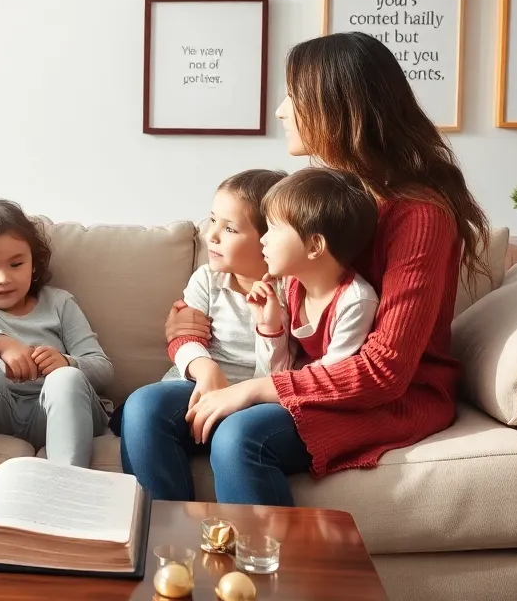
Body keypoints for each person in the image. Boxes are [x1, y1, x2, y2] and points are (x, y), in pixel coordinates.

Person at [119, 31, 489, 506]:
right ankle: (170, 549)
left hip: (387, 398)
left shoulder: (421, 217)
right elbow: (256, 273)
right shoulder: (321, 198)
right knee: (144, 408)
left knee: (240, 437)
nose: (280, 111)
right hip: (301, 373)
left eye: (293, 96)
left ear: (336, 108)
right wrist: (190, 339)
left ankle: (260, 560)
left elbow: (385, 371)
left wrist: (256, 390)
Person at [0, 200, 113, 467]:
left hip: (53, 414)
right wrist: (0, 343)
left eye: (16, 264)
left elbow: (103, 369)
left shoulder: (60, 303)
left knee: (66, 379)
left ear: (34, 264)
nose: (3, 279)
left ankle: (69, 481)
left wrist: (66, 362)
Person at [110, 170, 284, 444]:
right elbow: (184, 338)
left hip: (252, 401)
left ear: (269, 239)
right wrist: (206, 370)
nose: (211, 235)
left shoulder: (290, 291)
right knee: (141, 408)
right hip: (196, 385)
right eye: (213, 220)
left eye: (229, 228)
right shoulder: (208, 278)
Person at [246, 167, 380, 380]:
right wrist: (269, 327)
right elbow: (270, 375)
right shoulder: (288, 285)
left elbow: (329, 379)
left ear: (315, 246)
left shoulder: (355, 302)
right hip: (288, 392)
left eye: (274, 228)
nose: (263, 239)